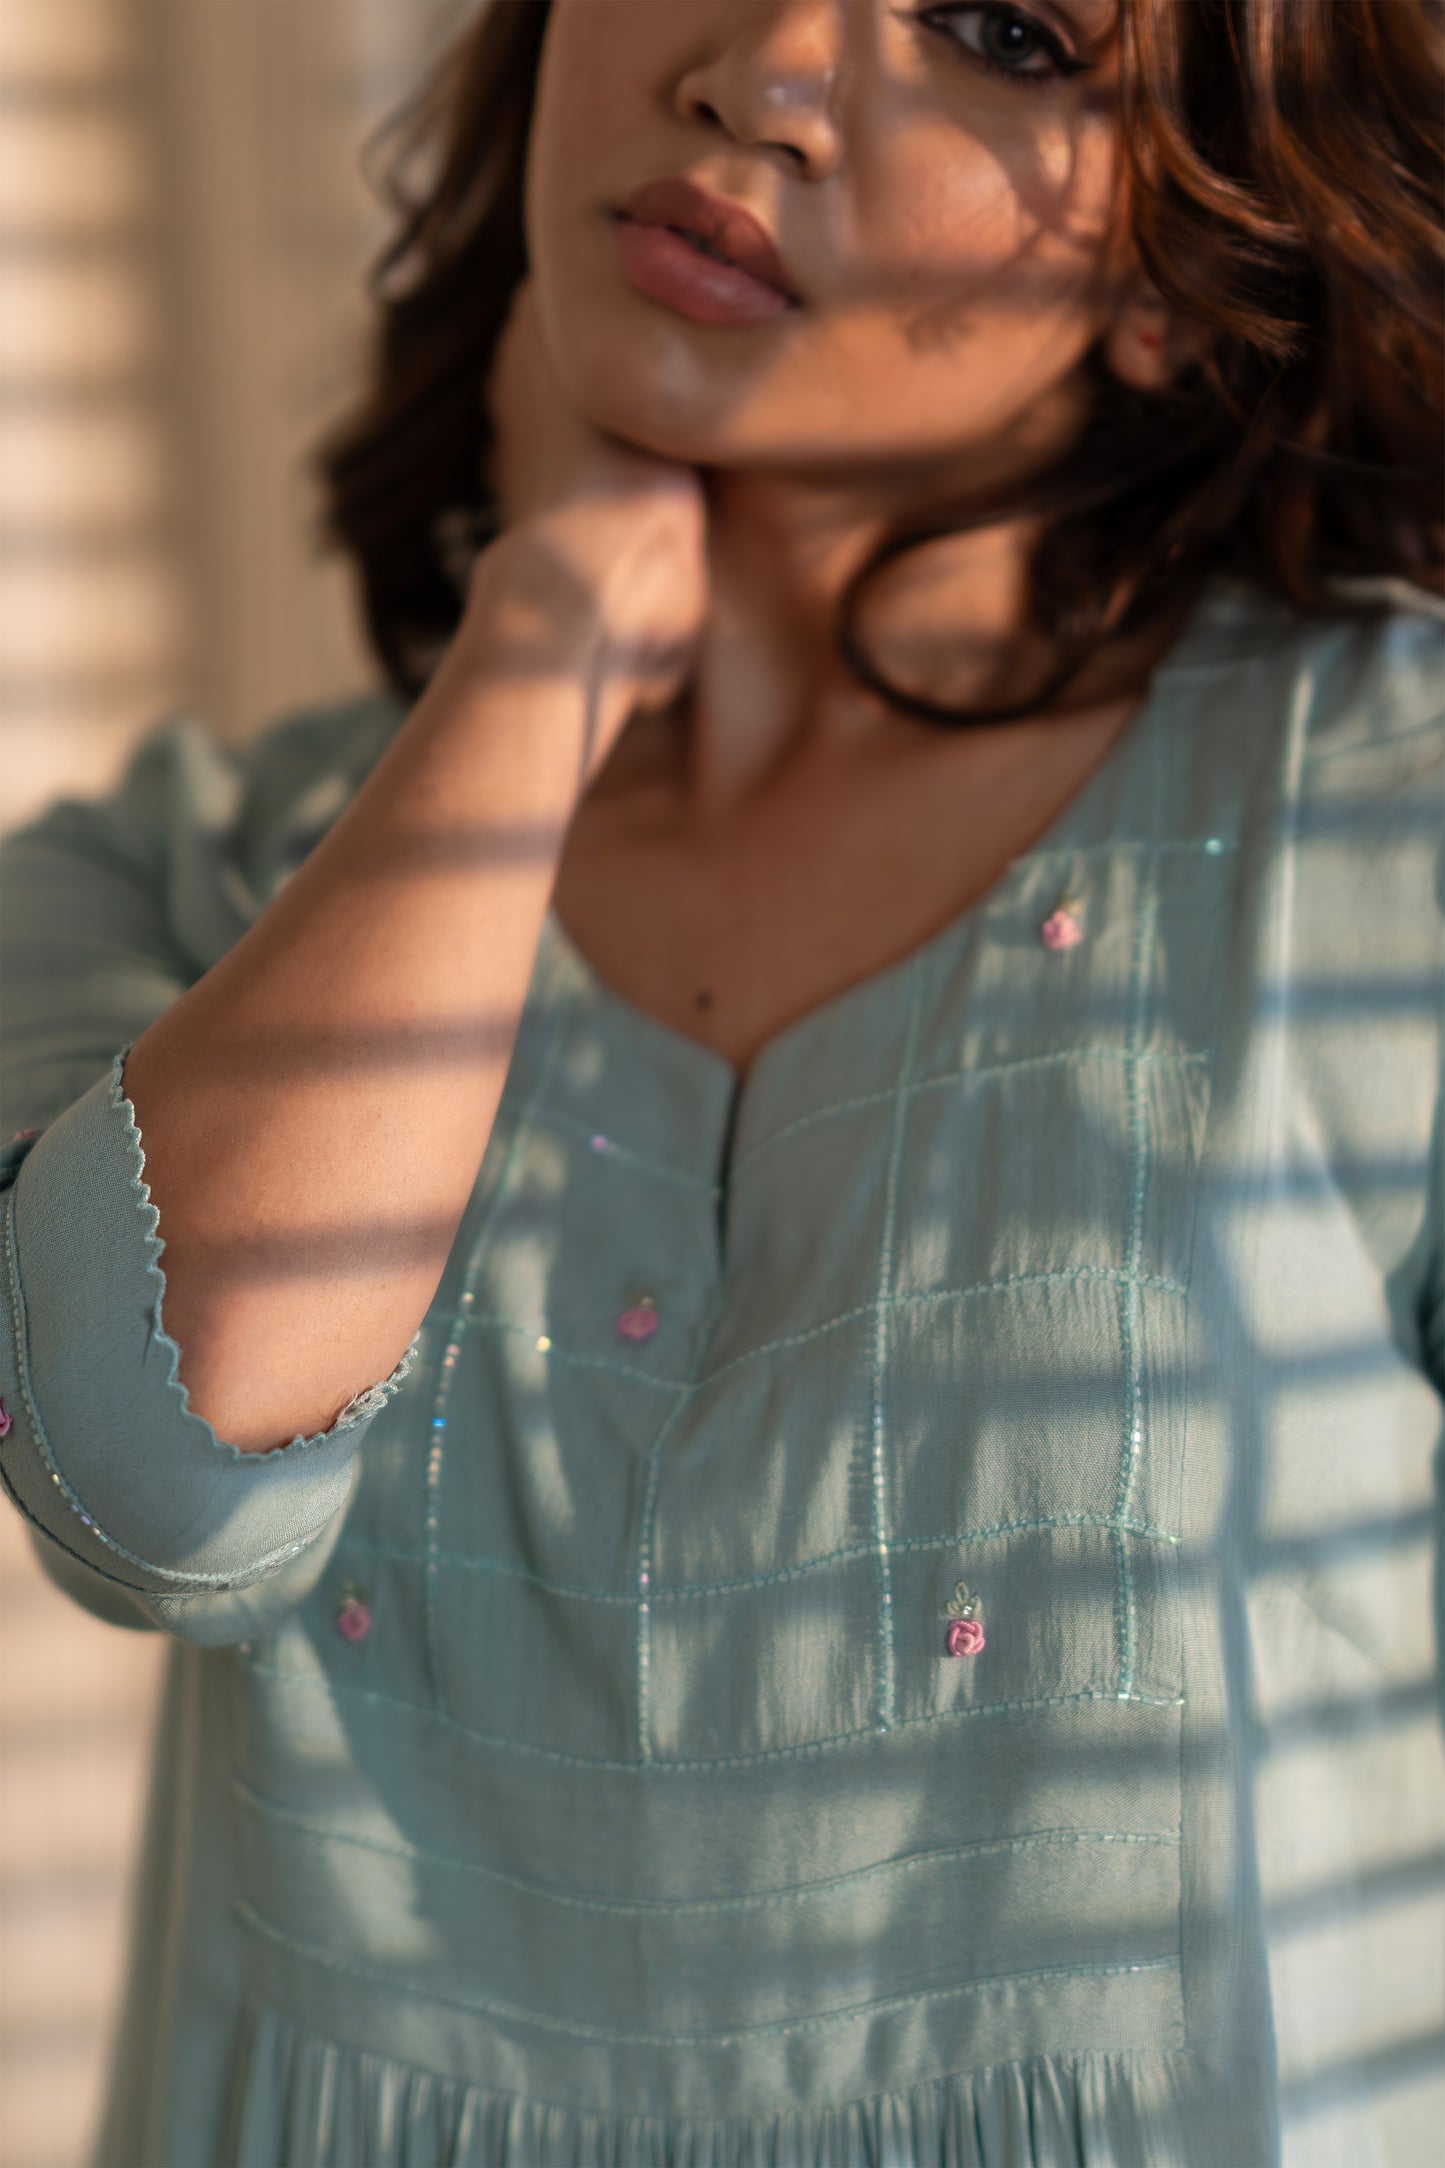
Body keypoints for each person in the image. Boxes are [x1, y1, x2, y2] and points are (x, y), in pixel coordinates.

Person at [1, 0, 1441, 2161]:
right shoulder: (178, 882)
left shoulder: (1388, 838)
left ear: (1175, 269)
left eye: (1002, 29)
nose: (764, 66)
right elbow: (148, 1472)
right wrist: (548, 632)